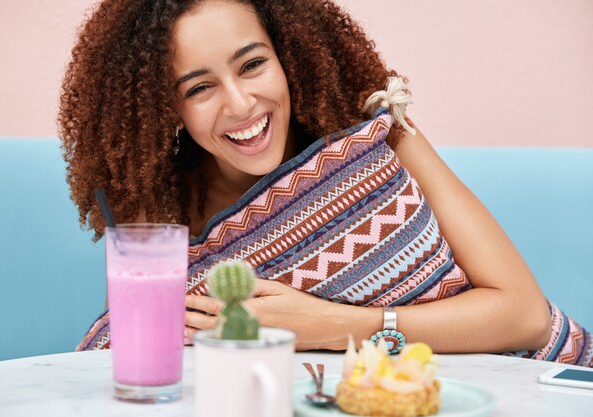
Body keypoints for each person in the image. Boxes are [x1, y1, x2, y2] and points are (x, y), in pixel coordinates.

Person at [59, 0, 592, 366]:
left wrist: (328, 326)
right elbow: (141, 349)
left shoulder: (376, 131)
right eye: (199, 88)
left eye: (252, 65)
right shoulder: (163, 208)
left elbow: (524, 315)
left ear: (287, 57)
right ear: (164, 107)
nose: (241, 104)